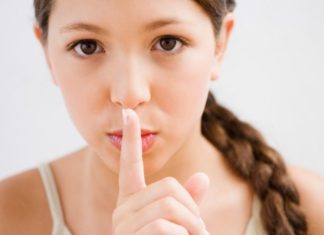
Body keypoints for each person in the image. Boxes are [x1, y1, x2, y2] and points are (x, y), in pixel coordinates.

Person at [0, 0, 323, 234]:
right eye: (86, 46)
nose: (128, 94)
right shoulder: (9, 215)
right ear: (47, 54)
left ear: (220, 44)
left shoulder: (313, 211)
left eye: (168, 43)